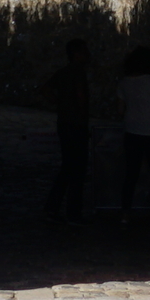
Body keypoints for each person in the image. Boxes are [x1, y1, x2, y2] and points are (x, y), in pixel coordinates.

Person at [42, 37, 90, 220]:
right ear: (77, 54)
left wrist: (60, 104)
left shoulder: (63, 72)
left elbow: (45, 89)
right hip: (76, 125)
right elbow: (80, 97)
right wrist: (82, 114)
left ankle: (53, 207)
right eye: (85, 51)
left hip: (64, 123)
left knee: (68, 166)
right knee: (78, 169)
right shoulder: (78, 72)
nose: (88, 54)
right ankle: (73, 213)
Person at [115, 44, 150, 221]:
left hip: (131, 131)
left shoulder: (124, 83)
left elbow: (120, 111)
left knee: (131, 173)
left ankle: (125, 212)